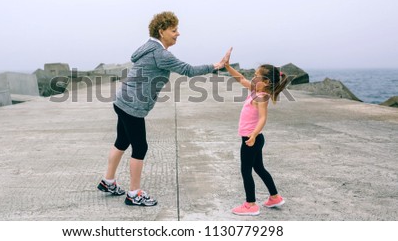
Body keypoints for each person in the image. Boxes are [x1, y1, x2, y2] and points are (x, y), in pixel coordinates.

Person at [97, 11, 232, 206]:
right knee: (140, 147)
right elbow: (188, 70)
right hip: (132, 105)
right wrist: (217, 65)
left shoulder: (148, 47)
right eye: (174, 30)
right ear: (162, 31)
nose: (178, 34)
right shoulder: (161, 54)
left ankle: (108, 182)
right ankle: (134, 193)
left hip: (122, 100)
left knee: (121, 141)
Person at [224, 60, 289, 216]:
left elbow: (262, 119)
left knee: (246, 171)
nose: (253, 78)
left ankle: (250, 204)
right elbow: (240, 78)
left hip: (251, 139)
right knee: (259, 168)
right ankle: (275, 197)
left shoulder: (262, 97)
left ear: (265, 82)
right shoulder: (255, 91)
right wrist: (227, 66)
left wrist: (253, 135)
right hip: (254, 139)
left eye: (256, 76)